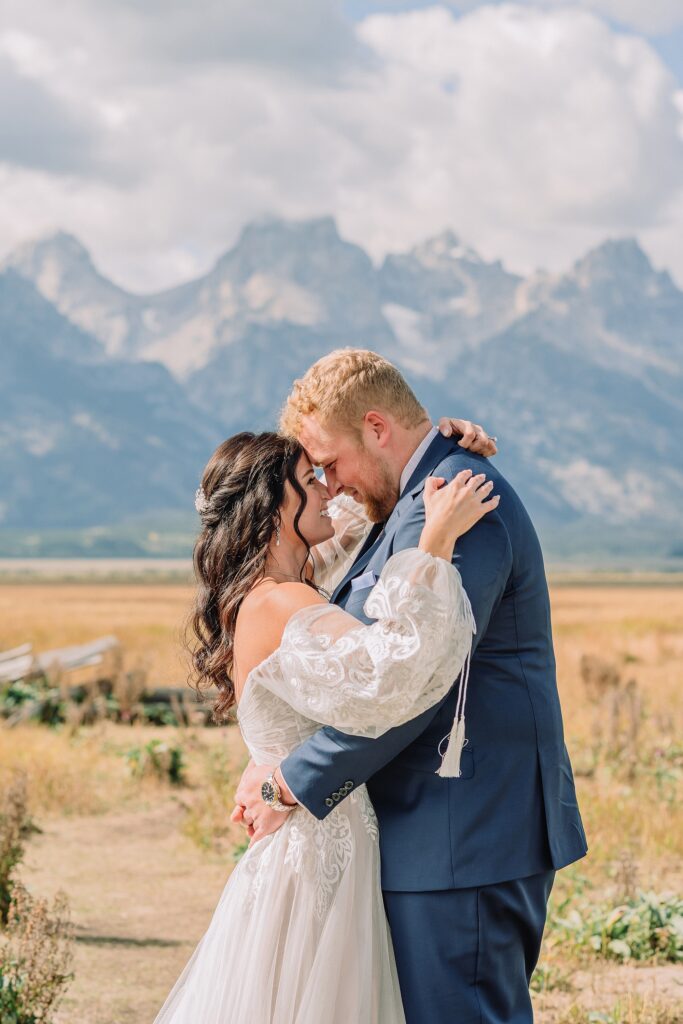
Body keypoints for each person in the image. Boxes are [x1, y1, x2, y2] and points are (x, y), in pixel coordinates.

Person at [234, 349, 588, 1024]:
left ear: (376, 427)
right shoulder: (401, 508)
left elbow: (415, 686)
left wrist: (292, 782)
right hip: (426, 834)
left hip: (464, 833)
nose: (329, 485)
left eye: (329, 463)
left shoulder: (460, 500)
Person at [152, 419, 498, 1024]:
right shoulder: (283, 602)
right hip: (318, 846)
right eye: (309, 480)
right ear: (274, 504)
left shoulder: (279, 587)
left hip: (308, 836)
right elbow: (389, 675)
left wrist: (436, 444)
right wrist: (435, 545)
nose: (327, 492)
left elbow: (367, 523)